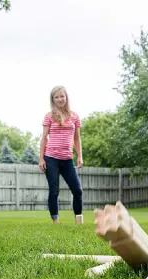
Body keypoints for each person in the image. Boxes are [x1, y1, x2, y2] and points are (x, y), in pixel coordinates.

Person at [39, 86, 83, 223]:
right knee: (54, 190)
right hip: (51, 157)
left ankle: (78, 219)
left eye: (62, 96)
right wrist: (41, 158)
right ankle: (55, 221)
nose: (59, 99)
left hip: (67, 159)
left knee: (77, 190)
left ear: (66, 97)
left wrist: (80, 155)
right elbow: (44, 137)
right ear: (53, 100)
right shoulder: (49, 116)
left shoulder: (74, 116)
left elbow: (77, 138)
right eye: (56, 97)